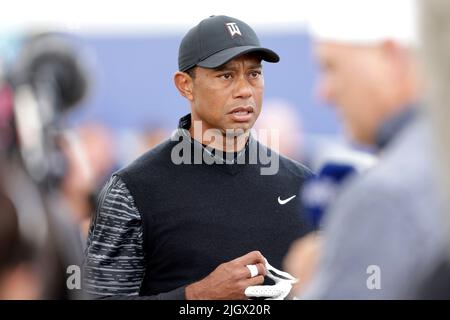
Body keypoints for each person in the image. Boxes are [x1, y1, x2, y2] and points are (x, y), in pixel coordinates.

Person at [84, 15, 313, 300]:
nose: (244, 90)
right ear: (185, 85)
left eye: (253, 74)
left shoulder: (305, 186)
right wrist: (196, 296)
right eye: (226, 75)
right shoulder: (132, 191)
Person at [284, 0, 447, 299]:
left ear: (392, 60)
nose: (323, 93)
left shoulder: (382, 197)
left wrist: (311, 287)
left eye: (330, 67)